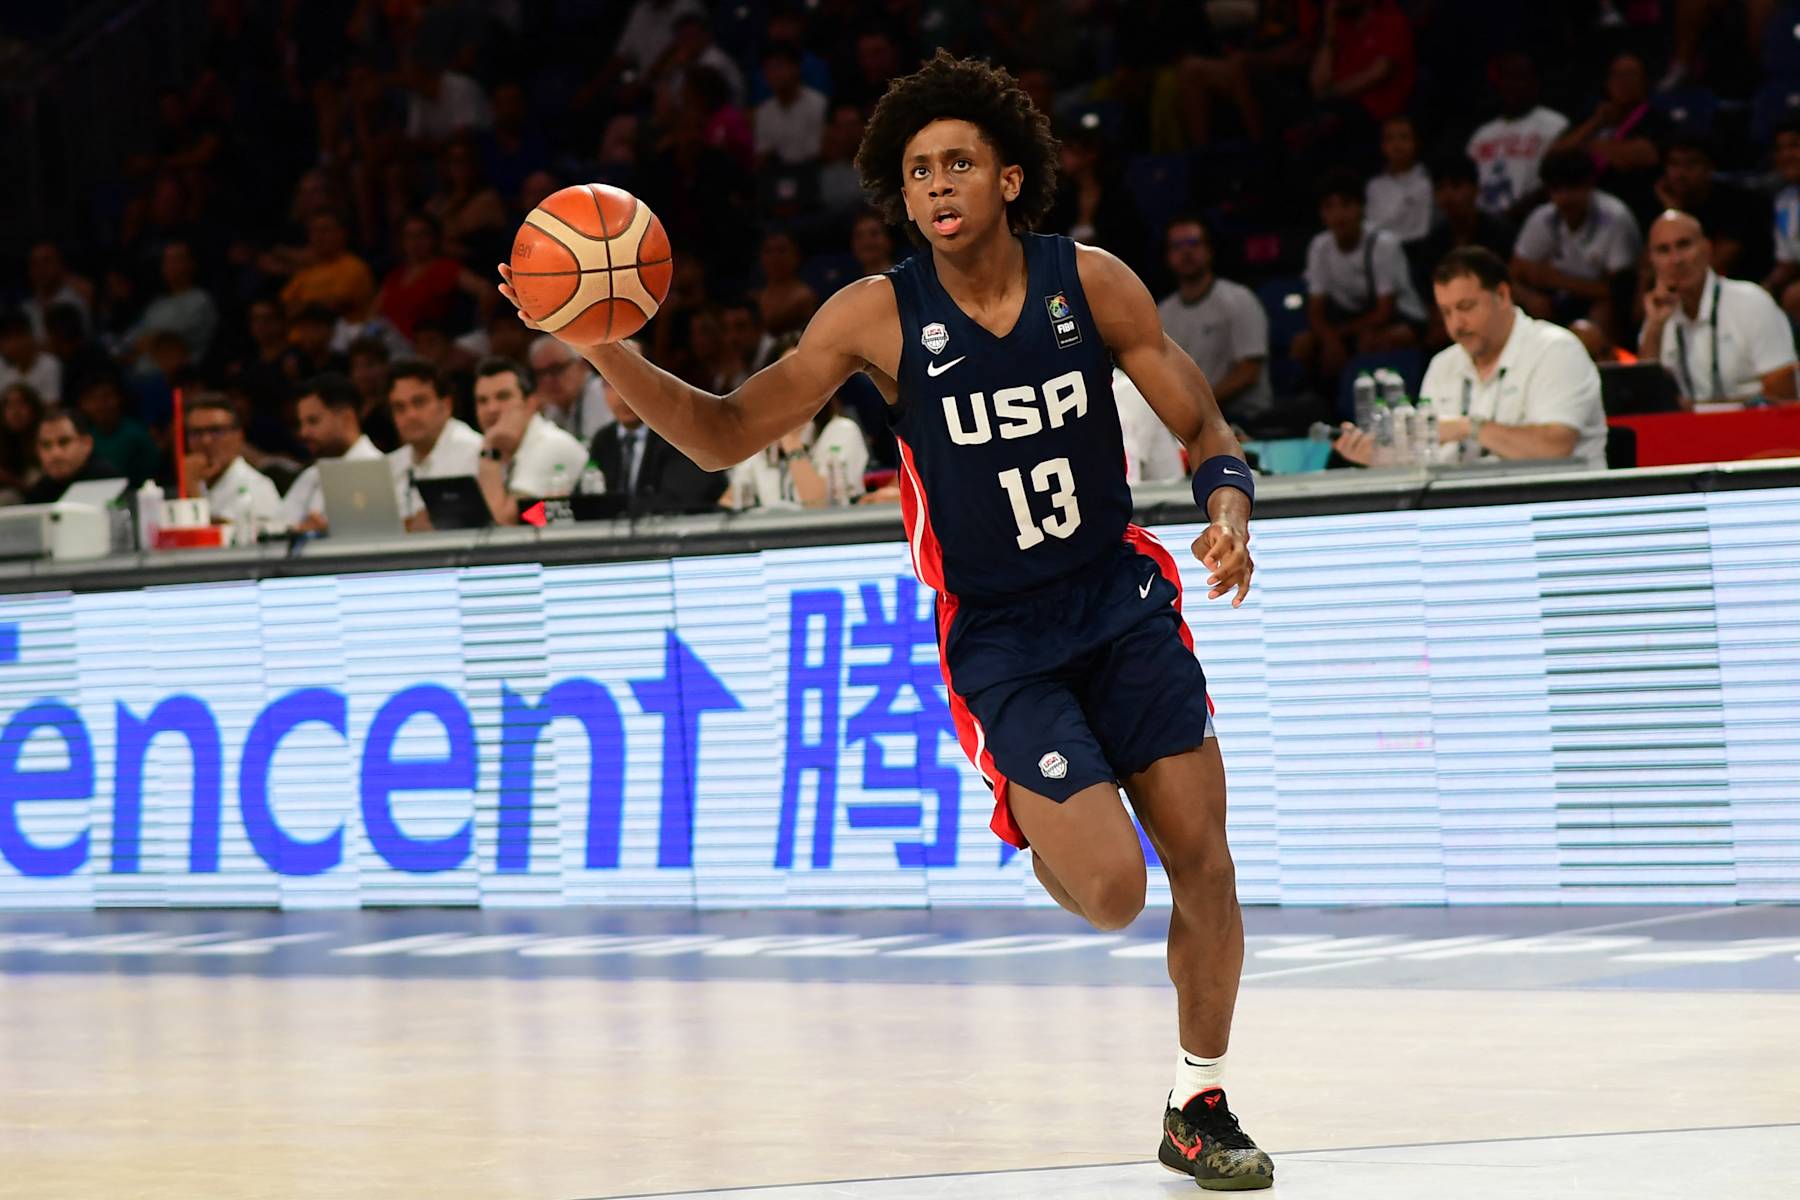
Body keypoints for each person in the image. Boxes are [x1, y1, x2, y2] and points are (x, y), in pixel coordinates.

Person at [499, 51, 1269, 1189]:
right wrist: (601, 341)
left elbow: (1200, 417)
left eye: (959, 162)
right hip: (1001, 638)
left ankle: (1197, 1100)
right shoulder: (873, 317)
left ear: (1011, 179)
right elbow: (721, 436)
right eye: (917, 172)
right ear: (900, 197)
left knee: (1206, 865)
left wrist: (1230, 507)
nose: (938, 185)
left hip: (1120, 597)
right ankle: (1033, 804)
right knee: (1112, 893)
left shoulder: (1091, 283)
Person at [1338, 248, 1607, 471]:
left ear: (1502, 295)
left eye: (1466, 307)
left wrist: (1468, 427)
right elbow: (1428, 461)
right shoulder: (1444, 365)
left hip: (1554, 515)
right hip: (1470, 517)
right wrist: (1381, 458)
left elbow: (1555, 448)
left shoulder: (1556, 350)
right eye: (1446, 313)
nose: (1456, 325)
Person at [1639, 211, 1799, 406]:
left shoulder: (1751, 302)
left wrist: (1700, 410)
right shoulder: (1659, 318)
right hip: (1689, 433)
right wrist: (1655, 327)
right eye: (1663, 250)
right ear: (1651, 261)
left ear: (1707, 249)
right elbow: (1646, 401)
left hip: (1757, 430)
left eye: (1684, 245)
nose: (1676, 259)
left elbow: (1784, 395)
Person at [1292, 169, 1426, 388]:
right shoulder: (1319, 246)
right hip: (1351, 322)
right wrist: (1330, 339)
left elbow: (1384, 310)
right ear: (1322, 214)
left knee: (1371, 341)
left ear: (1361, 208)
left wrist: (1337, 336)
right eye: (1330, 206)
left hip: (1401, 318)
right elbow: (1315, 310)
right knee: (1302, 344)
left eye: (1346, 205)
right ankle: (1317, 403)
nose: (1339, 214)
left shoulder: (1383, 244)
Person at [1156, 216, 1273, 426]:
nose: (1186, 252)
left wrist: (1200, 406)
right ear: (1168, 257)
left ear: (1209, 250)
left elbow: (1249, 371)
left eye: (1193, 243)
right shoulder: (1162, 313)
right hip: (1189, 421)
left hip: (1245, 420)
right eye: (1177, 246)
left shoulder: (1239, 299)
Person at [1510, 148, 1641, 331]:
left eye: (1573, 188)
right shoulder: (1542, 218)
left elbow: (1619, 291)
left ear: (1589, 184)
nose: (1566, 198)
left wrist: (1556, 279)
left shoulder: (1615, 217)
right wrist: (1529, 297)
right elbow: (1515, 272)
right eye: (1558, 189)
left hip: (1600, 303)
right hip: (1556, 300)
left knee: (1602, 312)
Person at [471, 357, 590, 524]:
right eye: (482, 401)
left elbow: (508, 522)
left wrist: (489, 452)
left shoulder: (551, 444)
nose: (492, 409)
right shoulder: (502, 445)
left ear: (531, 403)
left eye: (503, 397)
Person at [582, 383, 727, 515]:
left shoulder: (681, 432)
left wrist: (622, 509)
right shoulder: (604, 439)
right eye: (610, 384)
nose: (621, 395)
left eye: (631, 380)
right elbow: (588, 499)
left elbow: (680, 499)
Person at [1465, 53, 1568, 223]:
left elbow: (1557, 181)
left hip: (1533, 220)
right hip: (1483, 225)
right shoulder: (1481, 134)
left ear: (1534, 82)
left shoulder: (1555, 125)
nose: (1512, 84)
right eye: (1506, 78)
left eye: (1520, 77)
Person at [384, 359, 484, 528]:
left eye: (419, 402)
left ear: (446, 405)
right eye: (399, 407)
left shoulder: (474, 451)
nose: (410, 415)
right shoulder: (390, 464)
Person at [279, 373, 384, 532]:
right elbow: (276, 527)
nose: (304, 432)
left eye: (313, 421)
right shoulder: (310, 476)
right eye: (301, 423)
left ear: (347, 418)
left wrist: (326, 535)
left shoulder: (381, 471)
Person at [1652, 132, 1765, 280]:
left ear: (1709, 168)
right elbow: (1649, 268)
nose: (1680, 173)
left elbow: (1713, 267)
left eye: (1691, 164)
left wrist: (1675, 215)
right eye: (1674, 164)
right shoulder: (1661, 201)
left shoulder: (1737, 203)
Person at [183, 394, 282, 535]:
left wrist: (193, 491)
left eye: (216, 431)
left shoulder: (258, 487)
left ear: (238, 436)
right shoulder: (192, 482)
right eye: (196, 433)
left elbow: (228, 544)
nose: (206, 441)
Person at [72, 376, 161, 488]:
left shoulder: (136, 434)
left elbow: (150, 477)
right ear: (83, 403)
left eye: (106, 397)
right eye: (93, 398)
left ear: (119, 398)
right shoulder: (82, 437)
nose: (101, 405)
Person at [23, 408, 121, 505]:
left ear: (87, 444)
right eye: (46, 445)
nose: (55, 453)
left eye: (64, 442)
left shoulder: (107, 481)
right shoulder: (40, 490)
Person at [753, 42, 827, 168]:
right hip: (776, 176)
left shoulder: (818, 104)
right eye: (769, 69)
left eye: (779, 67)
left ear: (796, 68)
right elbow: (763, 154)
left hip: (811, 174)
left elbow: (817, 152)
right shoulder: (764, 111)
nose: (773, 74)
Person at [1366, 114, 1432, 243]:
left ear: (1415, 142)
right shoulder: (1374, 186)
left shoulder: (1428, 180)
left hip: (1422, 247)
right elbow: (1372, 226)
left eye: (1404, 137)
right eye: (1390, 139)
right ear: (1383, 146)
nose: (1397, 144)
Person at [1764, 117, 1800, 322]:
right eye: (1780, 149)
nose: (1786, 155)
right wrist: (1760, 289)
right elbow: (1787, 264)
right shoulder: (1785, 201)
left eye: (1794, 145)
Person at [0, 309, 63, 404]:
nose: (14, 344)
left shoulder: (49, 365)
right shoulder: (2, 367)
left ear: (30, 336)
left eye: (18, 336)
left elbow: (52, 408)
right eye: (8, 338)